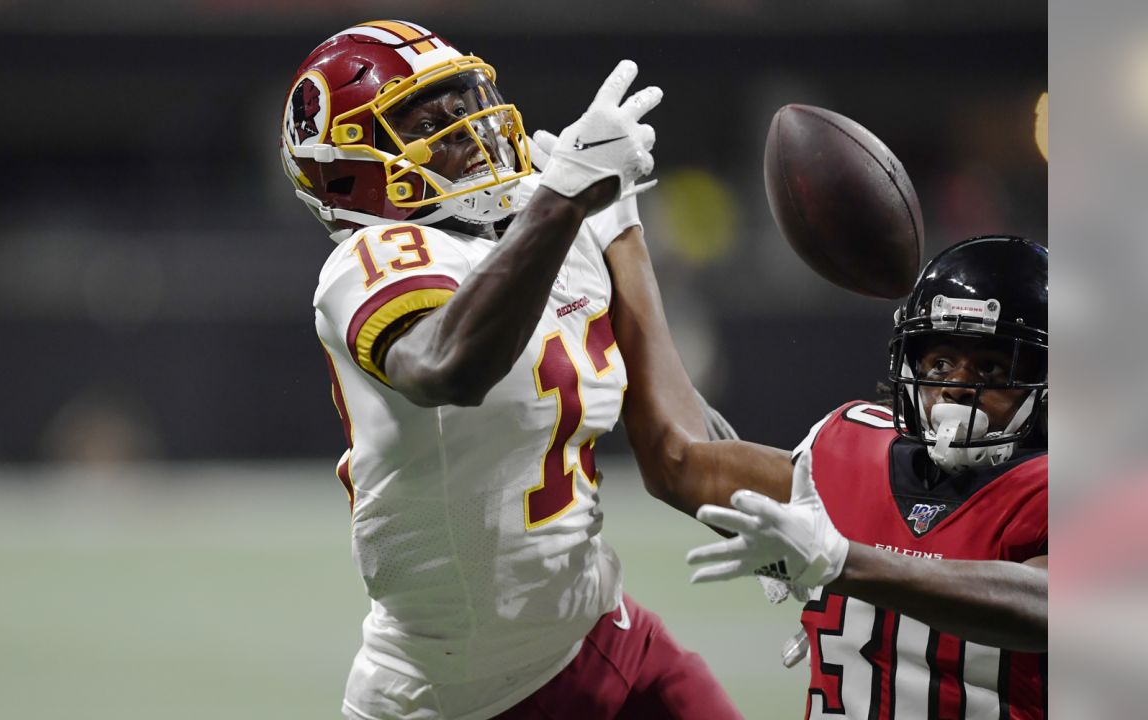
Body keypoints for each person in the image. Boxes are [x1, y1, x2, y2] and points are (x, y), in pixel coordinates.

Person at [282, 20, 741, 720]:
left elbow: (687, 446)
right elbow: (448, 366)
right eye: (429, 121)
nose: (468, 130)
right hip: (450, 698)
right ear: (349, 167)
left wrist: (834, 536)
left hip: (602, 635)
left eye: (467, 105)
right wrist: (563, 201)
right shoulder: (370, 261)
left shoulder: (548, 224)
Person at [602, 234, 1048, 718]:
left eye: (990, 368)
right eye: (940, 363)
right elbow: (679, 460)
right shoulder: (848, 454)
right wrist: (619, 234)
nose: (955, 389)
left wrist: (841, 561)